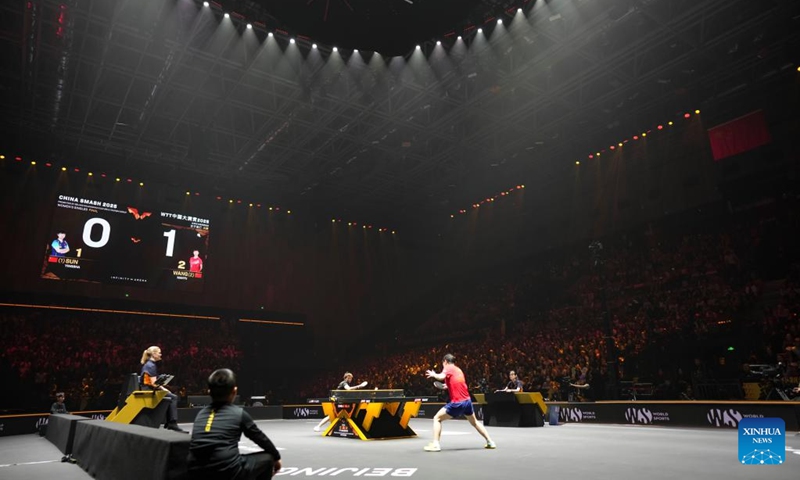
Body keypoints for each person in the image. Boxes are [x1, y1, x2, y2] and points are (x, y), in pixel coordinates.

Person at [188, 369, 282, 480]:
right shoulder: (238, 413)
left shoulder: (201, 414)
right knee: (268, 458)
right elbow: (261, 438)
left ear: (209, 392)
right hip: (227, 471)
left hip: (196, 473)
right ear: (234, 391)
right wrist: (277, 458)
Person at [424, 353, 496, 452]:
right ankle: (490, 441)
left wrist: (434, 375)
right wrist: (446, 386)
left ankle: (435, 444)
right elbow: (457, 383)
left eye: (443, 363)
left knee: (437, 418)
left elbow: (441, 376)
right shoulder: (458, 370)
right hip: (467, 401)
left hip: (457, 403)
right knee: (474, 422)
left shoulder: (448, 367)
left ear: (445, 361)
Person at [140, 345, 185, 432]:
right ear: (154, 354)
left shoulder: (150, 364)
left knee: (170, 396)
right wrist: (164, 389)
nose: (161, 355)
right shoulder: (150, 366)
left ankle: (170, 423)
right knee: (173, 397)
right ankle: (172, 423)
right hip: (148, 390)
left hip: (149, 388)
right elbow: (153, 384)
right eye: (159, 353)